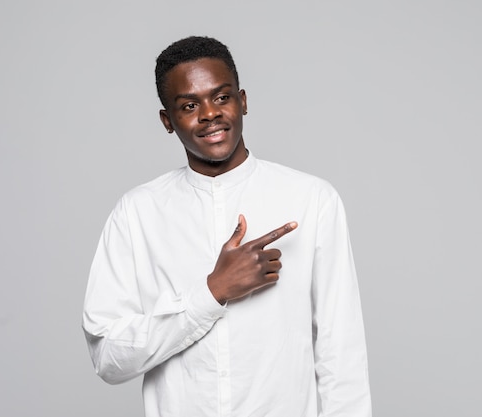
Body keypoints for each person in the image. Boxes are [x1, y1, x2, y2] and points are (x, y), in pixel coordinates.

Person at [82, 35, 372, 417]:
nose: (209, 114)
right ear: (167, 121)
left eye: (222, 97)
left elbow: (341, 353)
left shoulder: (312, 199)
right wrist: (211, 293)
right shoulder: (137, 213)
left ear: (243, 101)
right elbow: (109, 358)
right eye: (189, 105)